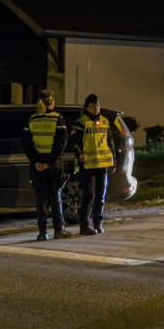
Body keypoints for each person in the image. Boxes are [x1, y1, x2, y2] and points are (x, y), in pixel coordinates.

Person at [22, 90, 70, 241]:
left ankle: (43, 233)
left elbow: (26, 143)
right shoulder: (58, 119)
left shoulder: (32, 119)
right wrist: (49, 162)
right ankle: (59, 231)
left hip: (37, 165)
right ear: (52, 102)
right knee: (55, 197)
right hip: (53, 164)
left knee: (41, 198)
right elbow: (61, 143)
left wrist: (36, 162)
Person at [70, 93, 116, 235]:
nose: (95, 108)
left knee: (101, 195)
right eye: (92, 105)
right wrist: (79, 154)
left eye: (97, 105)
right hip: (88, 165)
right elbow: (74, 143)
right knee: (89, 195)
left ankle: (98, 223)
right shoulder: (80, 123)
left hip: (103, 165)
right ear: (86, 107)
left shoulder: (105, 122)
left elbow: (110, 142)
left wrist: (114, 160)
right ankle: (84, 225)